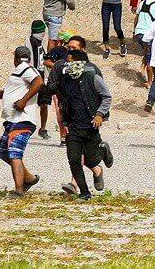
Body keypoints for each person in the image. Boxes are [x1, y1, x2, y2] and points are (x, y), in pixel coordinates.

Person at [49, 49, 113, 201]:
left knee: (91, 160)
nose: (67, 64)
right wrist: (64, 122)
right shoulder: (65, 79)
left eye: (70, 62)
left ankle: (103, 150)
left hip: (90, 125)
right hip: (73, 126)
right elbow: (58, 96)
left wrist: (99, 114)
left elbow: (106, 96)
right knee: (74, 159)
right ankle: (84, 192)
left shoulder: (92, 76)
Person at [0, 46, 43, 195]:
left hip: (23, 120)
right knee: (3, 152)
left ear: (15, 59)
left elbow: (38, 82)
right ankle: (29, 178)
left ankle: (19, 190)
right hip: (13, 119)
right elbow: (23, 85)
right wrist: (5, 94)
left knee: (14, 152)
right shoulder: (23, 69)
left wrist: (23, 101)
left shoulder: (24, 68)